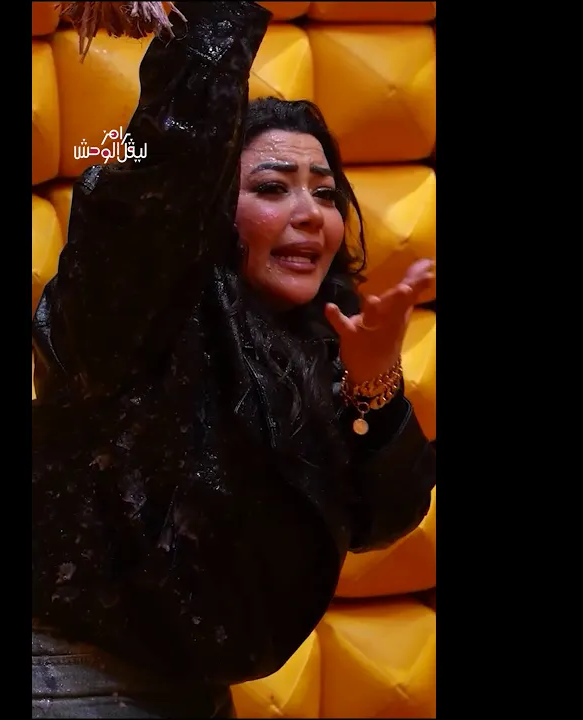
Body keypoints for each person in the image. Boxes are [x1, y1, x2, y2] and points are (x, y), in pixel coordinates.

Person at [32, 2, 436, 717]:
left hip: (193, 693)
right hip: (72, 678)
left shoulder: (317, 341)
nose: (309, 212)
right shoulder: (144, 307)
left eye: (324, 192)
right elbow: (160, 184)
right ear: (213, 210)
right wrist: (212, 19)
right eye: (272, 188)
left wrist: (374, 384)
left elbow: (384, 520)